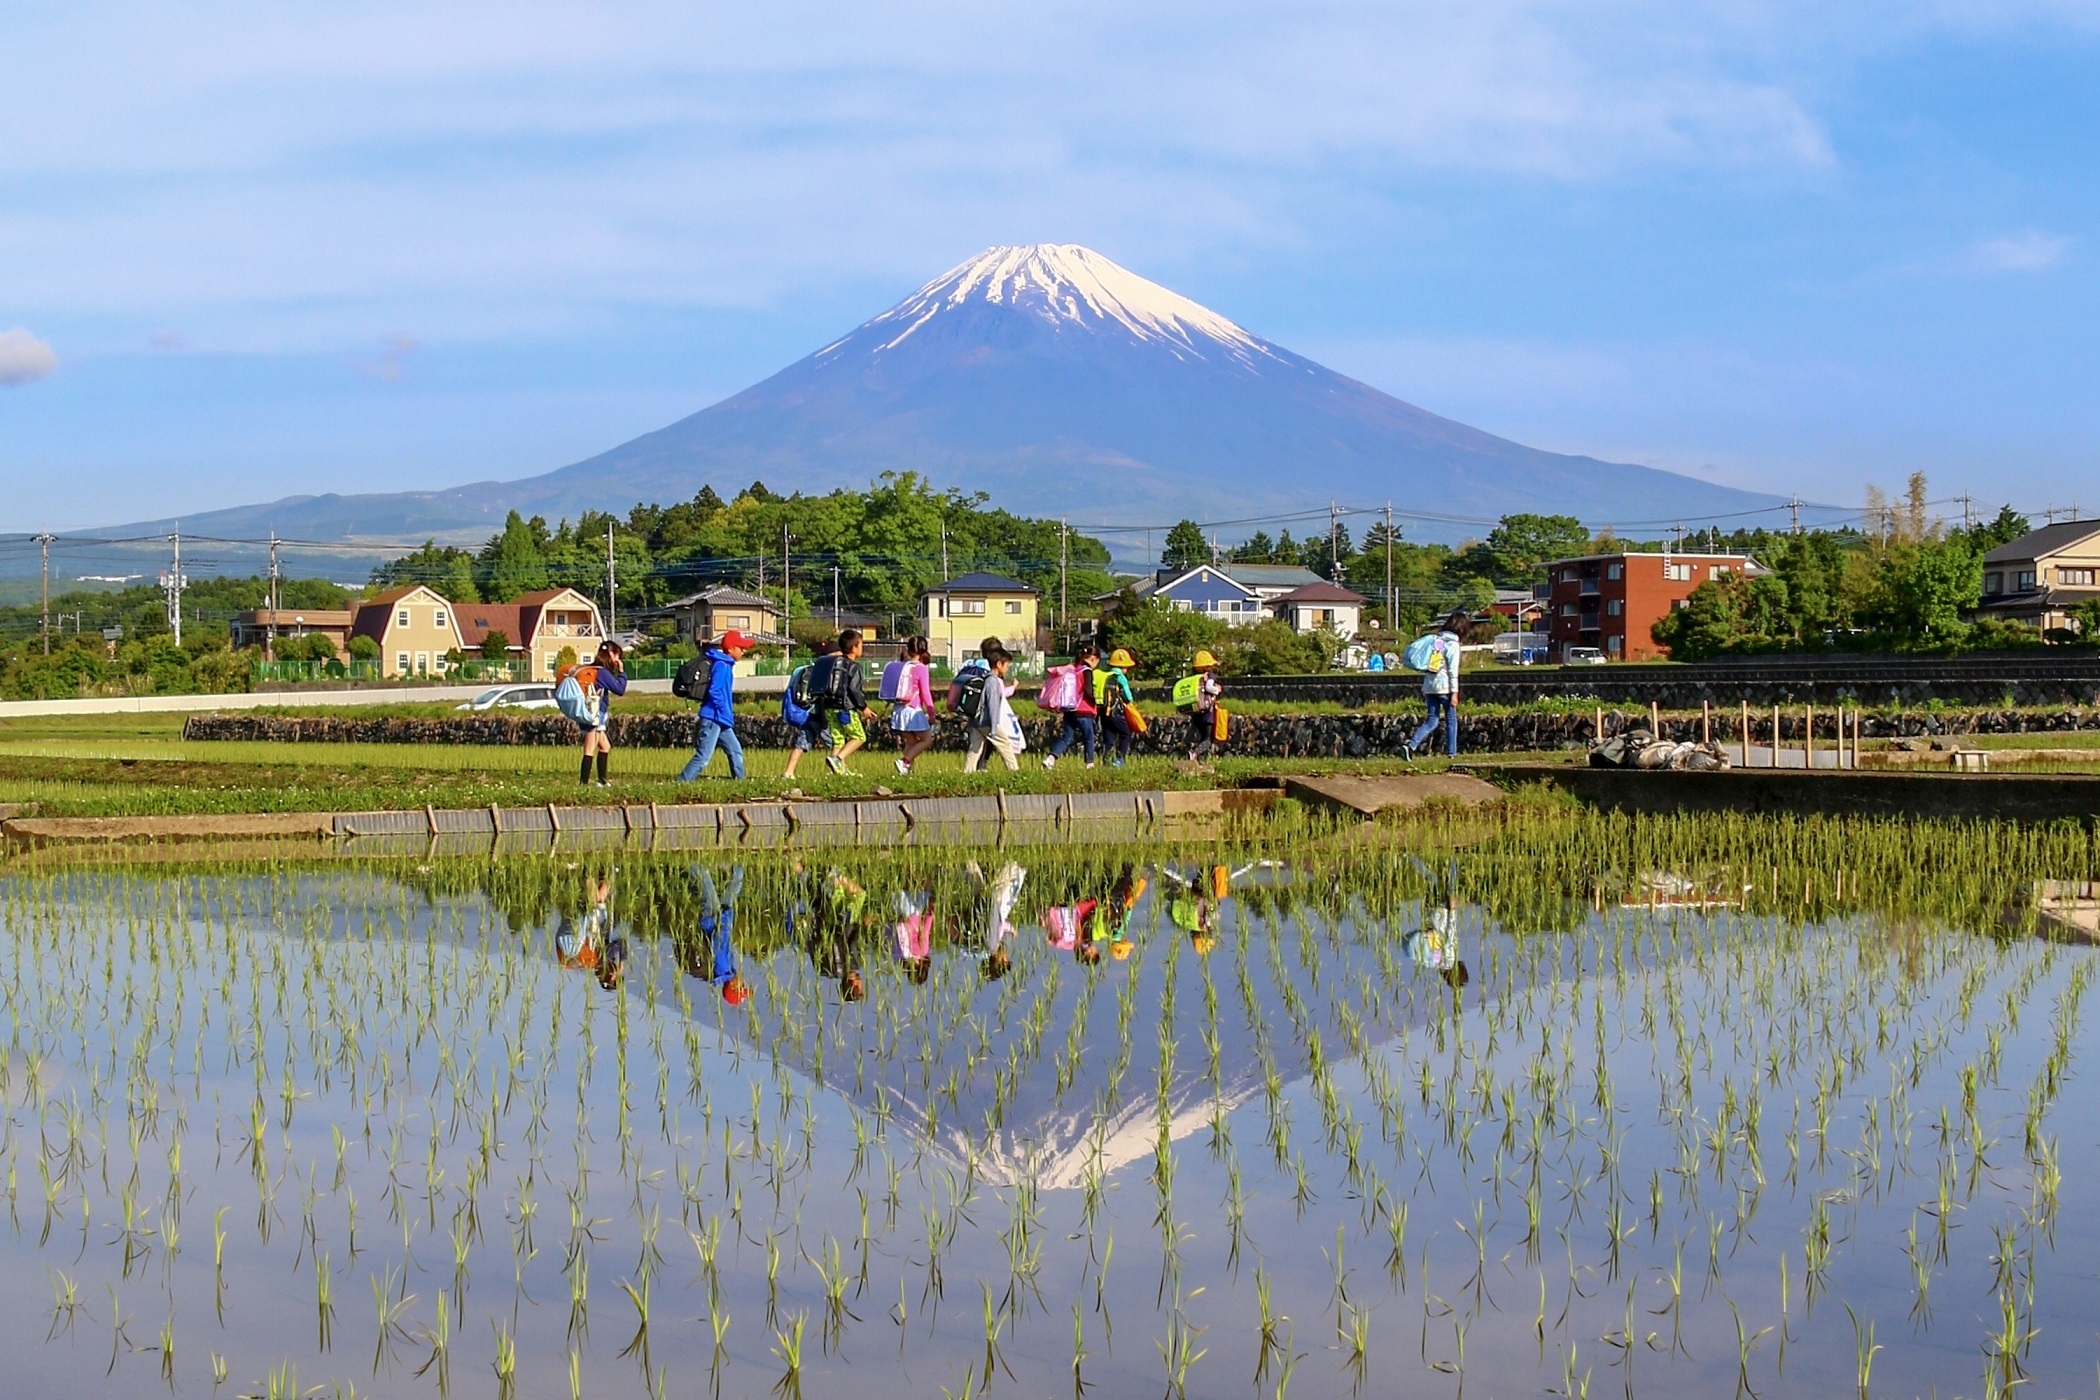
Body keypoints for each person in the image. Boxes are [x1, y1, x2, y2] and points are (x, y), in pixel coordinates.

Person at [677, 630, 752, 782]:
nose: (743, 651)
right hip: (713, 717)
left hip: (721, 718)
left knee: (735, 751)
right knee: (703, 757)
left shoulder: (726, 665)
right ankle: (681, 783)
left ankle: (741, 783)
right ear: (730, 649)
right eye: (741, 648)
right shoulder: (722, 665)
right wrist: (724, 709)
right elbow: (715, 691)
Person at [681, 865, 750, 1006]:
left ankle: (690, 861)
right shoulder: (728, 969)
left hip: (713, 918)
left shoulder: (723, 966)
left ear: (733, 986)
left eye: (742, 987)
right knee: (736, 884)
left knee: (705, 880)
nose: (744, 983)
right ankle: (736, 865)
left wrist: (725, 915)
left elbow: (719, 936)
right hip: (719, 918)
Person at [562, 641, 628, 786]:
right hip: (595, 714)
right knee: (589, 748)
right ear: (611, 654)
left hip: (591, 712)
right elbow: (620, 689)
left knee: (605, 746)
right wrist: (622, 672)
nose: (618, 659)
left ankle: (602, 780)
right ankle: (583, 783)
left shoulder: (590, 669)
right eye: (617, 655)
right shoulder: (602, 673)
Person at [1405, 612, 1465, 759]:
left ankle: (1411, 746)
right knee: (1451, 720)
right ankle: (1452, 753)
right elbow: (1452, 671)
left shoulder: (1437, 641)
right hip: (1445, 687)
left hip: (1430, 686)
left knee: (1432, 720)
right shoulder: (1453, 645)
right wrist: (1455, 693)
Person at [817, 629, 875, 776]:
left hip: (830, 707)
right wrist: (864, 708)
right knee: (859, 736)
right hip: (845, 709)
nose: (862, 648)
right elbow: (854, 689)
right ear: (854, 648)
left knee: (838, 739)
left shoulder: (833, 663)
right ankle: (838, 759)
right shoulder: (854, 667)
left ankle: (837, 771)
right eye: (861, 645)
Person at [780, 640, 837, 782]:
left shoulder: (803, 669)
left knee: (801, 743)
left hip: (805, 713)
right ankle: (837, 773)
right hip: (819, 714)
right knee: (837, 743)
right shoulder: (827, 671)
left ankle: (788, 772)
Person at [961, 646, 1024, 772]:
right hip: (987, 722)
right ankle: (1015, 773)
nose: (1007, 669)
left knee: (975, 749)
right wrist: (994, 727)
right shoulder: (993, 681)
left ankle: (967, 774)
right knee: (1005, 745)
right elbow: (993, 704)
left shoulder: (985, 677)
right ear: (999, 664)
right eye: (1007, 666)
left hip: (976, 721)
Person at [1042, 642, 1100, 770]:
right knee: (1089, 737)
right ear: (1093, 659)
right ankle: (1089, 764)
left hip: (1069, 709)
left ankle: (1050, 758)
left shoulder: (1073, 669)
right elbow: (1088, 691)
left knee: (1066, 737)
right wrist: (1097, 701)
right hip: (1084, 710)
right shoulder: (1087, 671)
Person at [967, 860, 1027, 980]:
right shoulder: (987, 945)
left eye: (1006, 959)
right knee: (970, 865)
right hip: (986, 899)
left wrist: (993, 897)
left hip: (991, 899)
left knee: (1012, 865)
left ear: (999, 961)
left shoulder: (991, 944)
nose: (1006, 955)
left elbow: (992, 918)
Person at [890, 635, 939, 776]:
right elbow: (925, 693)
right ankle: (904, 762)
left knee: (911, 742)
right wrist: (931, 713)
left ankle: (906, 773)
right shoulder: (921, 668)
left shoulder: (901, 666)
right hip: (912, 710)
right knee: (926, 740)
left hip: (899, 709)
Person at [1095, 648, 1138, 767]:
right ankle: (1119, 760)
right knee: (1126, 735)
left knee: (1109, 739)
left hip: (1104, 713)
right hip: (1116, 712)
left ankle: (1106, 762)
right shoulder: (1120, 677)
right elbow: (1128, 697)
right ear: (1123, 667)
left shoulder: (1105, 675)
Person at [1182, 649, 1224, 761]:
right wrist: (1218, 690)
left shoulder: (1195, 678)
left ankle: (1200, 757)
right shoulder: (1209, 675)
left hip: (1196, 712)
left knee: (1203, 736)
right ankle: (1194, 753)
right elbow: (1209, 687)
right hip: (1207, 713)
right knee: (1208, 739)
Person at [890, 889, 936, 984]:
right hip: (897, 915)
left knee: (923, 891)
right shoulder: (898, 956)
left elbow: (925, 930)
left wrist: (930, 913)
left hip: (911, 913)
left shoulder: (922, 951)